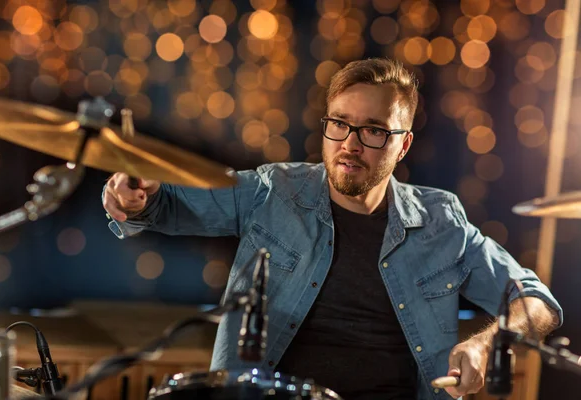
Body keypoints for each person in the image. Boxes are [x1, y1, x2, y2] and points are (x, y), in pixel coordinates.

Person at [102, 58, 562, 400]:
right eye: (339, 124)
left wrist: (486, 345)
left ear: (403, 146)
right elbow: (162, 203)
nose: (350, 144)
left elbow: (538, 302)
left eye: (374, 131)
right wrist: (133, 197)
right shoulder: (273, 191)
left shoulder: (442, 221)